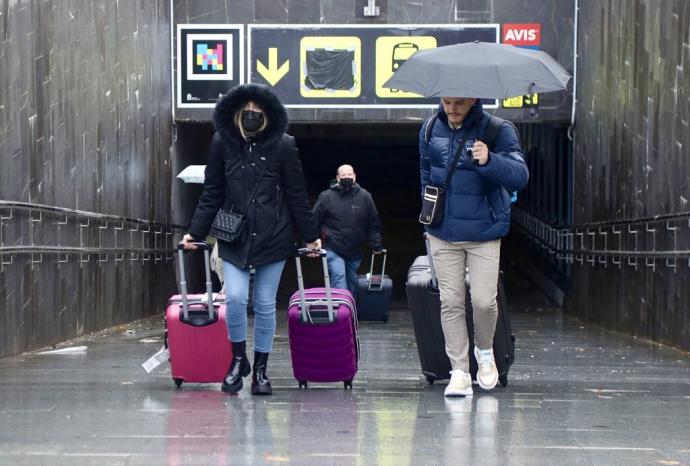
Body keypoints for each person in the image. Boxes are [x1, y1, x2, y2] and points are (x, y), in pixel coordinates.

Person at [182, 83, 321, 396]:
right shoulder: (222, 143)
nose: (252, 116)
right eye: (246, 111)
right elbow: (213, 191)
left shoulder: (284, 146)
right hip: (234, 236)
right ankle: (237, 360)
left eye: (258, 111)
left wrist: (311, 237)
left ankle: (260, 370)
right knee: (234, 298)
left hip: (274, 237)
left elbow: (296, 194)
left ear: (269, 114)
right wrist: (195, 232)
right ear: (235, 113)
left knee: (264, 304)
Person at [420, 97, 528, 397]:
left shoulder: (498, 130)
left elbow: (520, 176)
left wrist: (490, 159)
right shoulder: (430, 128)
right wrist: (429, 217)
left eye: (459, 103)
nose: (452, 108)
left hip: (485, 231)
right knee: (450, 302)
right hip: (443, 231)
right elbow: (426, 173)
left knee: (483, 301)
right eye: (446, 101)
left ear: (473, 100)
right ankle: (459, 371)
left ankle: (484, 352)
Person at [313, 164, 383, 296]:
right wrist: (310, 241)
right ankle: (340, 313)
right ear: (337, 178)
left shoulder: (365, 197)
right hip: (332, 246)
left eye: (349, 175)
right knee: (338, 276)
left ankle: (350, 313)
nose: (346, 177)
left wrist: (376, 243)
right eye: (343, 175)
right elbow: (314, 221)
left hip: (355, 250)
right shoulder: (326, 197)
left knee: (352, 283)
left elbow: (373, 223)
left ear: (355, 176)